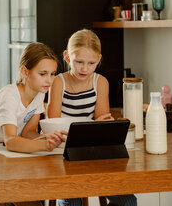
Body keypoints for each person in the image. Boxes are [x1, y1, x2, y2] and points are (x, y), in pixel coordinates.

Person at [47, 29, 137, 206]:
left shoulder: (100, 82)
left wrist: (104, 125)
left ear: (99, 60)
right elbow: (52, 125)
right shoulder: (58, 82)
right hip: (63, 154)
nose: (84, 68)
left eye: (91, 63)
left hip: (91, 154)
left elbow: (101, 124)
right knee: (71, 202)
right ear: (67, 57)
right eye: (79, 62)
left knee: (127, 201)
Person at [0, 42, 65, 153]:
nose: (49, 80)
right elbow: (10, 140)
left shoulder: (39, 93)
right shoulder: (9, 95)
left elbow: (27, 132)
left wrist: (48, 139)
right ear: (25, 72)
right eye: (43, 74)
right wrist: (45, 145)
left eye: (52, 74)